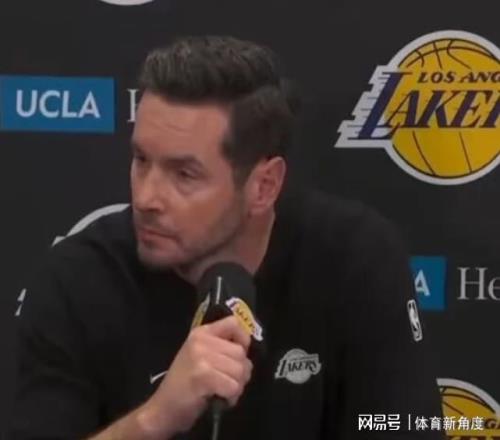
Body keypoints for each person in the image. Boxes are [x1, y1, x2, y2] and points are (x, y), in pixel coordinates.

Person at [8, 35, 444, 439]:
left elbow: (401, 425)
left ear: (264, 186)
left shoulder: (354, 259)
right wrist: (154, 419)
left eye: (184, 174)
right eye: (141, 160)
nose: (145, 197)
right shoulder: (79, 278)